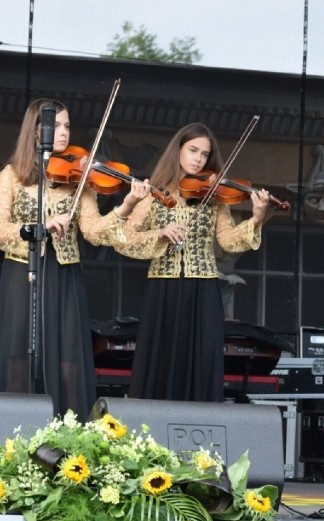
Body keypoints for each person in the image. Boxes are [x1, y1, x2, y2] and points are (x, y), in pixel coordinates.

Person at [0, 98, 149, 420]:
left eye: (67, 126)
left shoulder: (80, 177)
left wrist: (125, 206)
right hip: (22, 273)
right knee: (19, 355)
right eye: (55, 126)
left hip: (64, 276)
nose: (63, 133)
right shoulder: (12, 175)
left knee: (68, 358)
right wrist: (40, 228)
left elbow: (95, 232)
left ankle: (66, 434)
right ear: (35, 131)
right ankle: (17, 429)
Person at [114, 122, 272, 402]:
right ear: (178, 151)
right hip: (164, 291)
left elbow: (228, 240)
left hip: (203, 290)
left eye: (204, 154)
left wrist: (256, 218)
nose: (198, 159)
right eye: (193, 150)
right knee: (161, 359)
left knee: (202, 358)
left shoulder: (214, 197)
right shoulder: (155, 194)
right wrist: (160, 234)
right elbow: (124, 238)